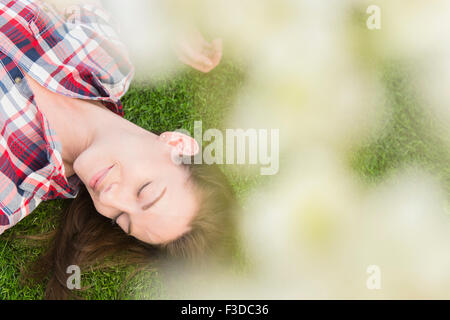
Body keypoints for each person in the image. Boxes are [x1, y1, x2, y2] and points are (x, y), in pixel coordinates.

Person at [0, 0, 236, 299]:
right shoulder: (109, 54)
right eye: (145, 191)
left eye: (121, 219)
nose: (109, 198)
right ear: (176, 144)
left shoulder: (10, 191)